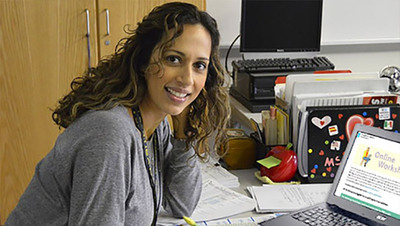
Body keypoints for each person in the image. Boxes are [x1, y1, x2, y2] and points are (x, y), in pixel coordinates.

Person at [5, 2, 230, 225]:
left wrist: (184, 133)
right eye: (173, 59)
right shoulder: (110, 134)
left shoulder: (155, 121)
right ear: (144, 61)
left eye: (199, 65)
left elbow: (181, 205)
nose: (187, 79)